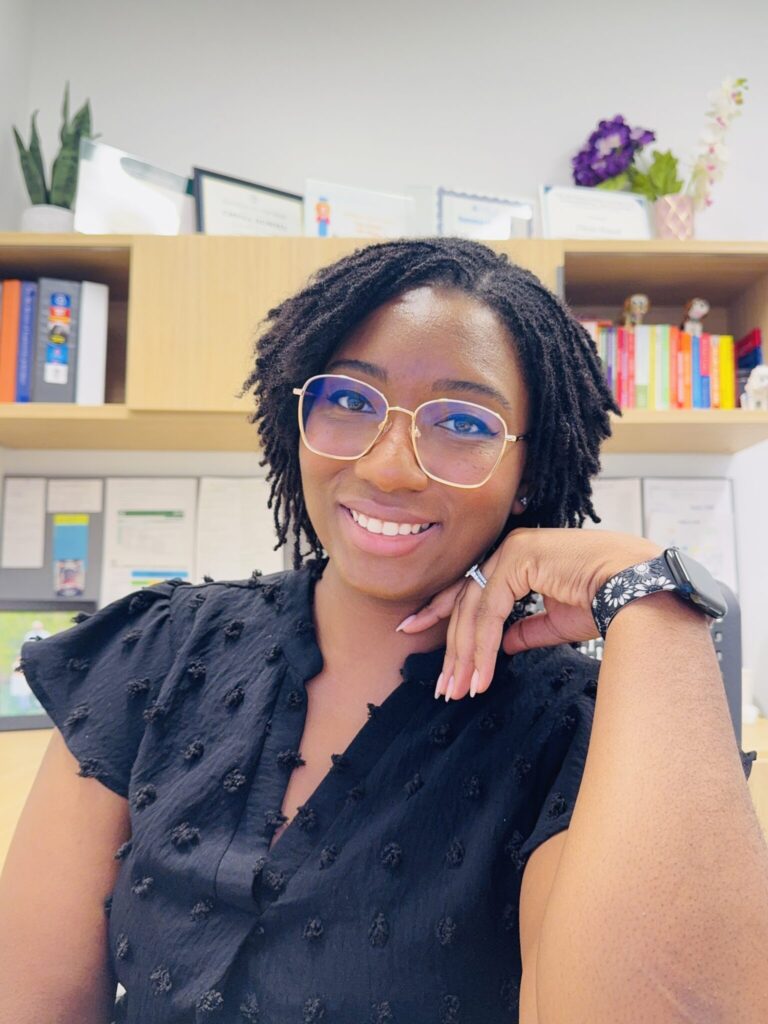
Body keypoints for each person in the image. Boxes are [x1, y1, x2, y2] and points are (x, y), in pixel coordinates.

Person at [0, 237, 762, 1024]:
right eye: (351, 401)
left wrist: (646, 593)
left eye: (462, 421)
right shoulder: (157, 649)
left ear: (528, 472)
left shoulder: (586, 731)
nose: (389, 467)